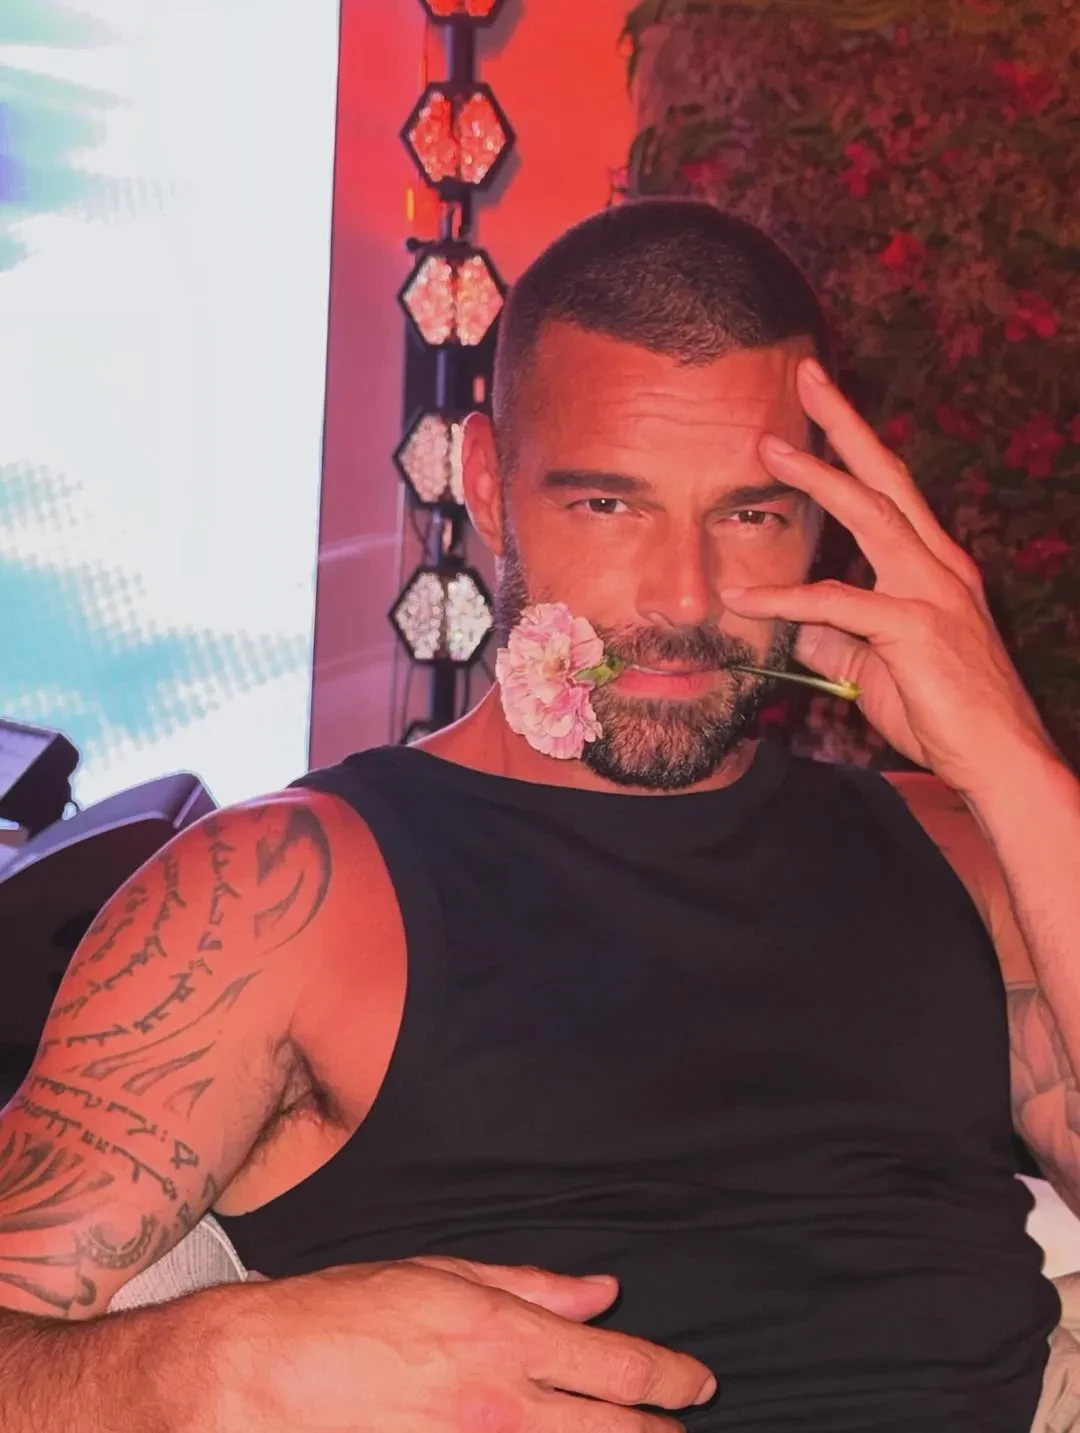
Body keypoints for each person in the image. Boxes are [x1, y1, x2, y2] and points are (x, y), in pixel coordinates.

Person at [1, 199, 1079, 1433]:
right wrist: (224, 1367)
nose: (688, 597)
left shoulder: (963, 844)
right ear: (488, 486)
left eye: (750, 514)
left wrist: (1015, 764)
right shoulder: (279, 893)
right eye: (608, 505)